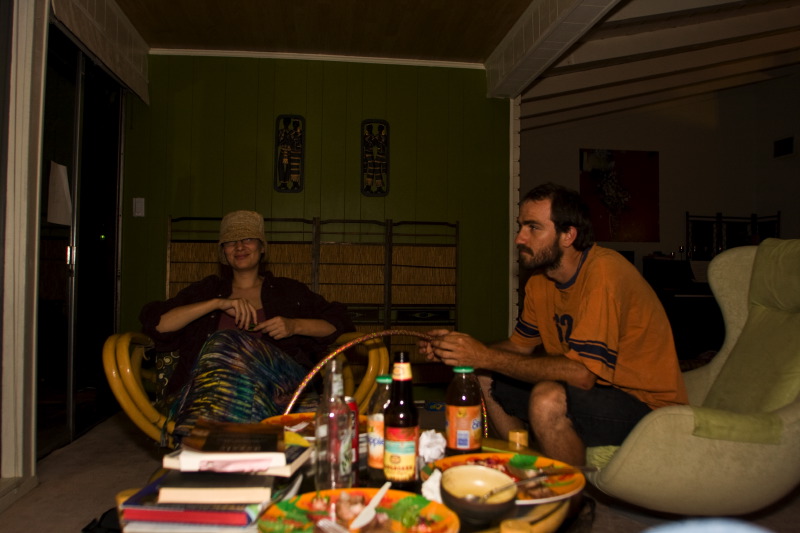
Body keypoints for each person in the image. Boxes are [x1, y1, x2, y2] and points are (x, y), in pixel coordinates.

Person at [420, 183, 687, 466]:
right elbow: (518, 347)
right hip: (595, 395)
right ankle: (524, 467)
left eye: (533, 228)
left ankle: (570, 491)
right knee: (484, 374)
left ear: (568, 235)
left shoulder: (604, 273)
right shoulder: (540, 282)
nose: (520, 238)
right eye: (520, 226)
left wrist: (483, 355)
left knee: (547, 398)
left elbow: (583, 375)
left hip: (649, 410)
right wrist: (460, 351)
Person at [140, 210, 354, 441]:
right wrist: (217, 303)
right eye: (231, 242)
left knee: (227, 342)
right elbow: (158, 324)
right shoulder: (207, 291)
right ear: (223, 251)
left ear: (262, 247)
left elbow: (339, 324)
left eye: (248, 239)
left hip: (278, 389)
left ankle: (203, 439)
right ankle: (223, 436)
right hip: (213, 393)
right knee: (224, 344)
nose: (239, 246)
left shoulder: (289, 292)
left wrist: (294, 326)